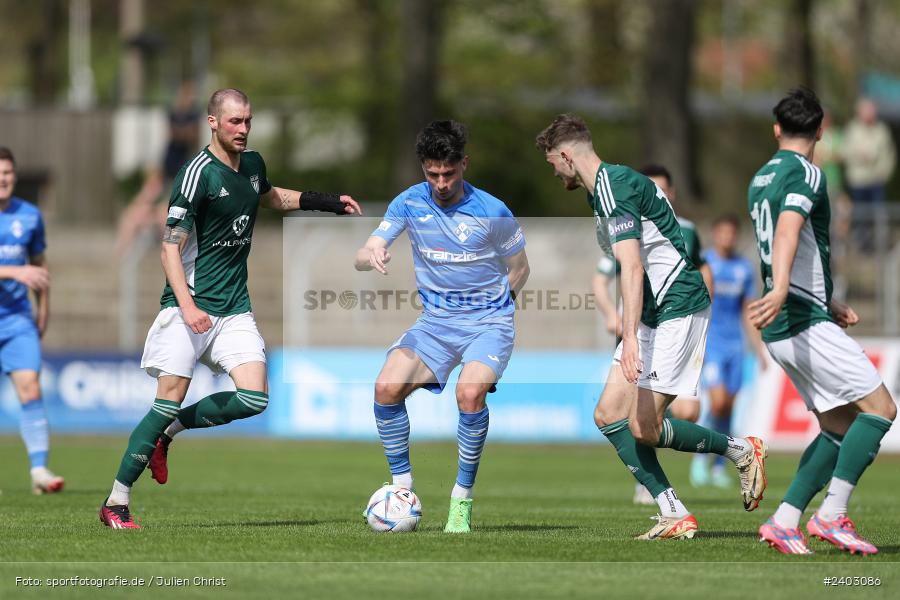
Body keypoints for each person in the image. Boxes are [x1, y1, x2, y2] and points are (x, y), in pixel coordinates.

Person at [99, 88, 362, 529]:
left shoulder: (253, 164)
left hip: (234, 309)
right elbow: (169, 248)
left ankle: (170, 433)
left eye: (248, 121)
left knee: (255, 398)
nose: (243, 129)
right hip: (188, 306)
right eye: (235, 121)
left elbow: (271, 196)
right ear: (213, 123)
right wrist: (188, 308)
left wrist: (326, 202)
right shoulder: (196, 174)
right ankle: (116, 502)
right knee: (167, 399)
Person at [536, 114, 766, 540]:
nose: (554, 172)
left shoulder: (614, 187)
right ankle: (674, 512)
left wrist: (628, 338)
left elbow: (633, 266)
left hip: (677, 306)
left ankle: (740, 450)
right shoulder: (601, 191)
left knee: (644, 427)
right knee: (609, 415)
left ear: (566, 156)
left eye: (552, 163)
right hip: (653, 313)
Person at [355, 120, 529, 533]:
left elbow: (521, 268)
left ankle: (461, 500)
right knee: (385, 388)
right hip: (435, 324)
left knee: (469, 394)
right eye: (432, 174)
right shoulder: (409, 202)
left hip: (488, 323)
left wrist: (498, 306)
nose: (441, 183)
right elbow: (367, 250)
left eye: (449, 173)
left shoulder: (492, 210)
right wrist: (370, 255)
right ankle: (402, 490)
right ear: (423, 168)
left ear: (464, 163)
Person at [751, 88, 896, 555]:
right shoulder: (807, 172)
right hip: (799, 317)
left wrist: (825, 299)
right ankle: (831, 515)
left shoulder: (759, 178)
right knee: (880, 409)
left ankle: (784, 521)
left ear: (776, 129)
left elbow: (786, 247)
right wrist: (782, 291)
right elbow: (788, 231)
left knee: (838, 427)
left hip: (787, 321)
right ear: (820, 131)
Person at [593, 163, 713, 505]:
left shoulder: (687, 231)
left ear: (669, 193)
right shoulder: (623, 223)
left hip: (675, 321)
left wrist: (702, 312)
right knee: (617, 415)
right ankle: (655, 491)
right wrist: (613, 316)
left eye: (660, 188)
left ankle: (737, 450)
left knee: (682, 413)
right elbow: (603, 276)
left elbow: (702, 270)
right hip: (639, 327)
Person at [0, 146, 64, 495]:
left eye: (8, 173)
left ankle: (39, 469)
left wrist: (44, 308)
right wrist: (14, 272)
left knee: (31, 387)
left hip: (16, 319)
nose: (3, 179)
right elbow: (24, 270)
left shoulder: (29, 215)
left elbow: (39, 265)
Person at [689, 214, 767, 489]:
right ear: (715, 234)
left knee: (729, 409)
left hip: (736, 346)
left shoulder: (743, 268)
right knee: (718, 403)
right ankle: (700, 458)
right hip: (711, 343)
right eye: (723, 232)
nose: (727, 238)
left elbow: (747, 310)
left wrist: (759, 349)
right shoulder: (705, 263)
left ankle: (719, 466)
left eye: (731, 233)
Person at [114, 81, 202, 256]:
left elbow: (190, 135)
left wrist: (181, 132)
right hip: (167, 170)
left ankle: (168, 251)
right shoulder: (173, 113)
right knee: (137, 211)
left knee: (164, 212)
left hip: (178, 174)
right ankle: (120, 253)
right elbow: (175, 133)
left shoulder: (193, 115)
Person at [841, 98, 896, 253]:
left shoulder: (881, 130)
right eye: (867, 110)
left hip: (877, 181)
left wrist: (884, 173)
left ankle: (879, 246)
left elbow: (889, 155)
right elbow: (845, 152)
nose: (871, 113)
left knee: (878, 215)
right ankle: (861, 246)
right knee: (859, 214)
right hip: (858, 181)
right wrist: (861, 156)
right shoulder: (852, 129)